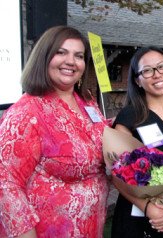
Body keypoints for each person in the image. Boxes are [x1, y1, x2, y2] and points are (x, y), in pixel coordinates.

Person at [0, 26, 111, 237]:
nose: (71, 61)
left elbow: (96, 138)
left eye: (79, 56)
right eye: (61, 52)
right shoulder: (26, 112)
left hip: (91, 227)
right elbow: (5, 183)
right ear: (44, 57)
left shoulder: (88, 103)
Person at [111, 46, 163, 238]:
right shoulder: (129, 117)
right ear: (137, 80)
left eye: (161, 67)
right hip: (136, 215)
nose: (157, 75)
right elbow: (115, 173)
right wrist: (147, 207)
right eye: (147, 70)